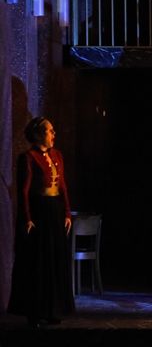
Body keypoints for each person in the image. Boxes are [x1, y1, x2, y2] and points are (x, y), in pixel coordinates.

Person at [8, 117, 75, 327]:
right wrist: (27, 217)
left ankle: (54, 309)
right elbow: (24, 191)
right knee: (39, 262)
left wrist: (66, 213)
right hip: (40, 213)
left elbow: (62, 186)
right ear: (39, 134)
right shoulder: (28, 158)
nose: (53, 134)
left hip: (55, 212)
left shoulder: (58, 155)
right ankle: (35, 312)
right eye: (49, 131)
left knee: (55, 260)